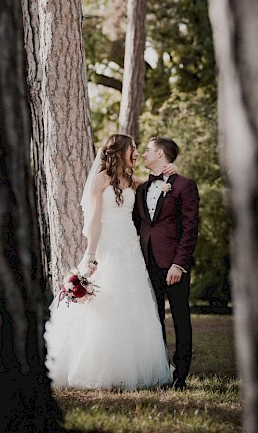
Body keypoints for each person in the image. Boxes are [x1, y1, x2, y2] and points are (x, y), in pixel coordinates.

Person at [44, 134, 174, 390]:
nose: (136, 153)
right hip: (106, 246)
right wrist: (91, 255)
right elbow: (94, 219)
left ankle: (133, 368)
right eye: (133, 149)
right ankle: (94, 368)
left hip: (129, 246)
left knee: (132, 302)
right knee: (102, 303)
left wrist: (172, 170)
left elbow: (158, 183)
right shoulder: (99, 180)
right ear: (120, 151)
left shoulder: (130, 180)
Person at [135, 136, 199, 390]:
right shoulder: (141, 188)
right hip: (146, 263)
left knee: (181, 318)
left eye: (148, 150)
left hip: (173, 265)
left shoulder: (184, 185)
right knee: (154, 319)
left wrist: (179, 264)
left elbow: (190, 228)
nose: (143, 154)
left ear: (160, 154)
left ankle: (181, 375)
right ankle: (161, 370)